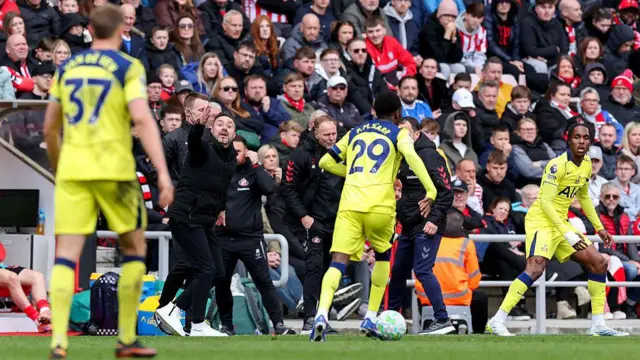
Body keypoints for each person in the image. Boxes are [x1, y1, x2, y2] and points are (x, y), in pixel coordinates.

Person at [43, 4, 174, 358]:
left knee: (65, 255)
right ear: (120, 31)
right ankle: (127, 339)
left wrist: (59, 167)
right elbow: (143, 120)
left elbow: (49, 128)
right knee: (134, 250)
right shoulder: (127, 66)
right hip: (115, 171)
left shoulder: (67, 67)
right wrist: (162, 172)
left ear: (89, 29)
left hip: (73, 170)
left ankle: (57, 341)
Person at [311, 92, 439, 341]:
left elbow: (326, 162)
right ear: (397, 114)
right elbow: (412, 157)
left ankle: (321, 314)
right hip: (380, 206)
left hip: (350, 205)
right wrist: (431, 189)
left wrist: (352, 174)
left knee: (338, 261)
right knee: (382, 256)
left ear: (373, 110)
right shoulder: (399, 133)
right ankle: (370, 316)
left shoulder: (355, 132)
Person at [486, 123, 628, 337]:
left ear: (590, 141)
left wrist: (599, 227)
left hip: (560, 222)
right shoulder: (556, 166)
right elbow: (545, 203)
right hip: (542, 221)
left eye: (586, 137)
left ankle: (598, 324)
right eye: (576, 137)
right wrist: (569, 234)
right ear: (568, 140)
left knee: (598, 262)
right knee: (535, 268)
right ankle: (497, 321)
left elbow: (583, 197)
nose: (581, 141)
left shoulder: (587, 163)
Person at [155, 101, 236, 338]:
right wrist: (197, 127)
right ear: (211, 129)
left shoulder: (230, 157)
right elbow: (197, 146)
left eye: (229, 125)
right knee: (205, 268)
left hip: (205, 219)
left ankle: (184, 315)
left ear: (234, 133)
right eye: (219, 123)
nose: (224, 128)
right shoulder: (202, 146)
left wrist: (221, 209)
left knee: (218, 272)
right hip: (186, 216)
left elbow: (220, 188)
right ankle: (186, 316)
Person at [215, 136, 296, 336]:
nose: (234, 155)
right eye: (231, 151)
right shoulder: (218, 171)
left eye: (239, 151)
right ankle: (226, 326)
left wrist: (257, 165)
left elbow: (270, 189)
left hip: (250, 239)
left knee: (264, 281)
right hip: (224, 238)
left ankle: (278, 325)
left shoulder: (253, 172)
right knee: (222, 282)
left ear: (246, 153)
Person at [389, 116, 455, 335]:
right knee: (398, 272)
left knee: (423, 270)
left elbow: (446, 191)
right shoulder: (399, 156)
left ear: (417, 135)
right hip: (408, 225)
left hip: (427, 225)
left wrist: (434, 220)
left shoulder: (430, 156)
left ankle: (442, 319)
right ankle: (391, 317)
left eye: (406, 132)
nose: (402, 137)